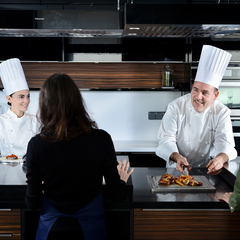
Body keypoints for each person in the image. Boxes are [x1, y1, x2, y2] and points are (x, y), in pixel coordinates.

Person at [25, 73, 134, 240]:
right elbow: (117, 195)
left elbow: (32, 203)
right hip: (90, 231)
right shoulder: (101, 139)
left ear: (45, 105)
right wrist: (121, 180)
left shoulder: (36, 144)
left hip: (52, 232)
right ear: (77, 102)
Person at [156, 45, 237, 175]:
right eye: (195, 90)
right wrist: (177, 157)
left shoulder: (221, 112)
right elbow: (165, 140)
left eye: (205, 93)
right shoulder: (175, 107)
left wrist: (220, 160)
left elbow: (225, 144)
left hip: (208, 172)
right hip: (176, 172)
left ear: (215, 96)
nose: (198, 97)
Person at [0, 58, 39, 158]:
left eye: (28, 96)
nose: (26, 101)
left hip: (31, 170)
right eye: (21, 97)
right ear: (9, 98)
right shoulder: (1, 123)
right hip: (7, 170)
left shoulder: (35, 121)